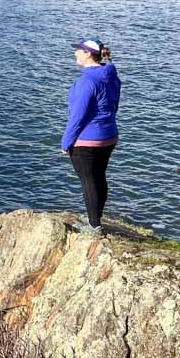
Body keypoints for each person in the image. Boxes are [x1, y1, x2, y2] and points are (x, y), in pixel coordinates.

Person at [61, 38, 120, 236]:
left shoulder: (87, 81)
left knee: (88, 181)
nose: (74, 53)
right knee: (99, 178)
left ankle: (94, 227)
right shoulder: (111, 75)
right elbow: (115, 106)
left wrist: (66, 142)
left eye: (78, 50)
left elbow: (78, 115)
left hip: (87, 140)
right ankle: (96, 219)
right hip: (109, 136)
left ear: (88, 54)